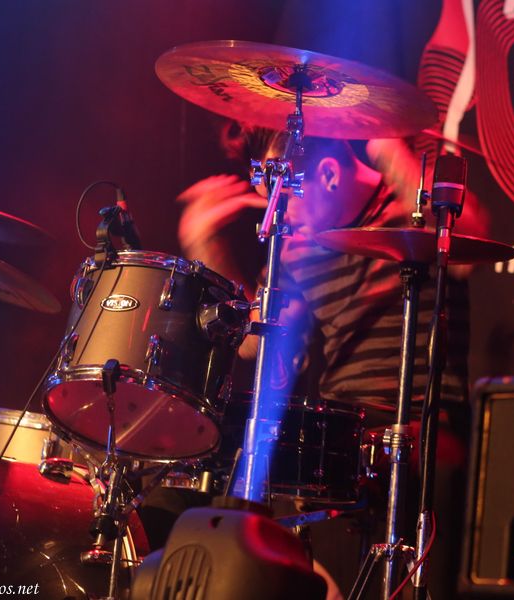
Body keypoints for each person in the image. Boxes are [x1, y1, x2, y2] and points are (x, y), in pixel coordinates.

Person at [175, 121, 489, 598]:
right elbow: (254, 342)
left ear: (327, 175)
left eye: (288, 201)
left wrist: (387, 148)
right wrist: (205, 243)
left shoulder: (413, 207)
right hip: (343, 431)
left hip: (425, 425)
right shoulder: (298, 246)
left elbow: (471, 241)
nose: (286, 221)